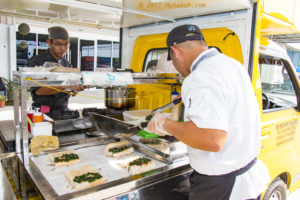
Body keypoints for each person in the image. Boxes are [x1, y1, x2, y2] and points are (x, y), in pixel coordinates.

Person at [147, 24, 270, 200]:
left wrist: (165, 124)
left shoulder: (200, 76)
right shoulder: (233, 65)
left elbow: (212, 139)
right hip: (246, 180)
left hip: (221, 187)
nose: (175, 67)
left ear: (176, 51)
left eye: (172, 61)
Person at [28, 26, 84, 119]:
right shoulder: (37, 62)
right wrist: (67, 85)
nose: (63, 48)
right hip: (43, 111)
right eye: (58, 44)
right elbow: (39, 91)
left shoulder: (66, 64)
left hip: (63, 110)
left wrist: (75, 89)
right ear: (49, 42)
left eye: (66, 44)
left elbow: (70, 91)